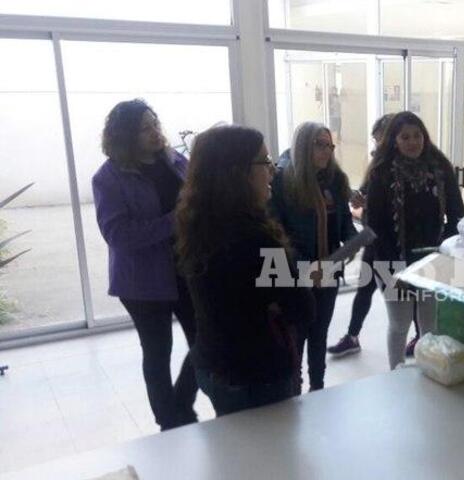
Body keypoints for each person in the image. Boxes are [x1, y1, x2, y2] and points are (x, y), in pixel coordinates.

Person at [176, 125, 315, 416]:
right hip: (257, 374)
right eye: (265, 162)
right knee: (273, 443)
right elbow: (301, 309)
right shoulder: (259, 237)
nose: (272, 171)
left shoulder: (197, 223)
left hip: (214, 364)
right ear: (238, 173)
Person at [92, 99, 198, 431]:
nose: (155, 132)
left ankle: (181, 404)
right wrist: (173, 221)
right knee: (157, 352)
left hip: (185, 270)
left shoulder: (174, 160)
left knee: (205, 340)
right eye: (144, 128)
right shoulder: (108, 178)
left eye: (155, 123)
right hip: (142, 282)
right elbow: (118, 235)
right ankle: (168, 422)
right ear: (126, 136)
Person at [365, 111, 464, 369]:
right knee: (400, 323)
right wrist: (393, 273)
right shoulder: (381, 173)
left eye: (417, 135)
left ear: (424, 136)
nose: (412, 142)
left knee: (430, 324)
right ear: (394, 140)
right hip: (390, 259)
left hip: (431, 259)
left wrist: (444, 248)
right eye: (405, 137)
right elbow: (374, 226)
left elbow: (456, 211)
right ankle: (395, 373)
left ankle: (428, 370)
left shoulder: (439, 167)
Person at [270, 122, 357, 391]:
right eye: (319, 144)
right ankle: (294, 393)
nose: (326, 151)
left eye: (329, 145)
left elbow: (346, 224)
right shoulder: (282, 181)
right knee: (295, 339)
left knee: (319, 334)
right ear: (303, 145)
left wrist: (353, 242)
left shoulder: (335, 180)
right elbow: (276, 236)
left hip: (328, 272)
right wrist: (306, 268)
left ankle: (317, 387)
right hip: (292, 276)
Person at [328, 114, 394, 357]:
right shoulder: (377, 165)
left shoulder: (401, 168)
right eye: (375, 140)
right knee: (365, 289)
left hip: (392, 243)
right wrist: (359, 198)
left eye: (380, 139)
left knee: (401, 296)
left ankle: (420, 337)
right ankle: (352, 336)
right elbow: (366, 194)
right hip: (373, 239)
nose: (377, 145)